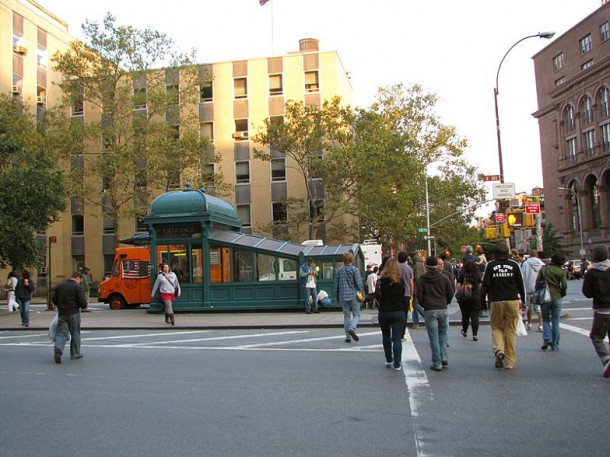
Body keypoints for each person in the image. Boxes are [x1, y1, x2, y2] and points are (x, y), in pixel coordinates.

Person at [480, 241, 526, 370]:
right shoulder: (514, 265)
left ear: (494, 253)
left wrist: (482, 301)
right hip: (512, 300)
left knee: (496, 327)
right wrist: (523, 301)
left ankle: (499, 350)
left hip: (496, 300)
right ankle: (510, 361)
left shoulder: (490, 266)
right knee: (510, 330)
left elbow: (485, 285)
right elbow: (520, 284)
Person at [417, 256, 454, 371]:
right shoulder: (444, 278)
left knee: (433, 337)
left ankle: (437, 362)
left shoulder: (422, 279)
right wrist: (446, 302)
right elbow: (451, 292)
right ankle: (443, 356)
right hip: (442, 307)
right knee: (443, 334)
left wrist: (424, 305)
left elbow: (419, 296)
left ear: (426, 266)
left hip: (430, 308)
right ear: (437, 266)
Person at [581, 244, 610, 378]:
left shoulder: (591, 273)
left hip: (601, 309)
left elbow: (587, 293)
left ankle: (606, 358)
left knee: (596, 337)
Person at [376, 259, 406, 371]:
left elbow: (378, 296)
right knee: (397, 339)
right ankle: (397, 364)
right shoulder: (400, 281)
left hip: (384, 311)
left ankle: (389, 359)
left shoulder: (381, 281)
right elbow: (403, 295)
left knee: (385, 336)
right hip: (398, 310)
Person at [52, 271, 88, 363]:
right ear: (78, 278)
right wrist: (84, 305)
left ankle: (58, 349)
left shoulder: (59, 286)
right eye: (80, 280)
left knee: (61, 333)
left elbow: (54, 299)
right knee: (75, 333)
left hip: (62, 313)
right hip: (74, 313)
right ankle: (75, 354)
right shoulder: (77, 287)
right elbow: (82, 302)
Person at [536, 252, 567, 351]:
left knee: (545, 319)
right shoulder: (561, 271)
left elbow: (537, 282)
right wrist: (562, 293)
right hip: (557, 296)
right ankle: (556, 345)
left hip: (545, 297)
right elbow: (564, 285)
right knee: (556, 321)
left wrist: (537, 290)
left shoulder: (544, 269)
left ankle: (547, 339)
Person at [335, 252, 364, 343]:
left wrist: (337, 298)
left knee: (346, 316)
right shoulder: (354, 270)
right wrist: (363, 294)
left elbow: (336, 285)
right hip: (353, 295)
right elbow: (359, 283)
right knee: (357, 314)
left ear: (343, 261)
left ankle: (348, 336)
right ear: (352, 260)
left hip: (343, 296)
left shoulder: (339, 271)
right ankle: (352, 328)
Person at [456, 259, 482, 341]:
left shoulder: (463, 274)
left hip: (464, 297)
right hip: (475, 296)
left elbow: (458, 285)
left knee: (465, 315)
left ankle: (465, 331)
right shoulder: (478, 274)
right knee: (475, 316)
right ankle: (475, 334)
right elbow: (480, 285)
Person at [521, 249, 545, 331]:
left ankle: (529, 324)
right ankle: (540, 325)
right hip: (538, 288)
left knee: (529, 307)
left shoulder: (526, 263)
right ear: (537, 255)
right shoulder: (542, 264)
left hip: (528, 288)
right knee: (539, 307)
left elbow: (523, 276)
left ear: (530, 255)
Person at [397, 252, 414, 338]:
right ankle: (402, 334)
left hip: (396, 294)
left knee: (397, 314)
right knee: (404, 314)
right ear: (406, 259)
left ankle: (396, 332)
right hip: (406, 294)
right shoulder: (409, 269)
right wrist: (411, 294)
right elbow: (411, 283)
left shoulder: (395, 268)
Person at [411, 253, 426, 328]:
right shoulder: (421, 264)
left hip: (416, 288)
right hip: (419, 288)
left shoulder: (416, 266)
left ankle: (426, 317)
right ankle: (415, 322)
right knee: (414, 306)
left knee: (416, 305)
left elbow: (417, 278)